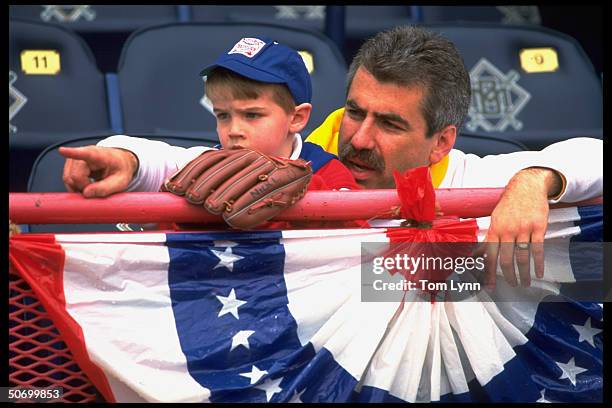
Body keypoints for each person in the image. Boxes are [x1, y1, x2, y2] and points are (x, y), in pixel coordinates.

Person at [60, 26, 602, 287]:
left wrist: (537, 178)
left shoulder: (472, 180)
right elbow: (175, 161)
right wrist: (126, 159)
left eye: (389, 124)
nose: (358, 138)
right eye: (355, 111)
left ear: (442, 141)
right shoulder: (287, 161)